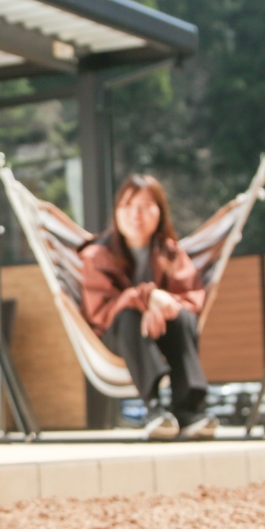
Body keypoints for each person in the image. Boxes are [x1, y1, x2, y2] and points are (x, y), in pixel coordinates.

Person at [80, 174, 215, 441]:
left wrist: (161, 307)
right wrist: (146, 297)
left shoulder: (172, 254)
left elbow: (192, 296)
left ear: (160, 213)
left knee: (185, 318)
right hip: (118, 336)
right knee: (129, 317)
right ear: (116, 213)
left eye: (145, 206)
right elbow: (102, 312)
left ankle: (189, 410)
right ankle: (154, 408)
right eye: (128, 206)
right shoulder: (96, 255)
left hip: (163, 333)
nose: (136, 215)